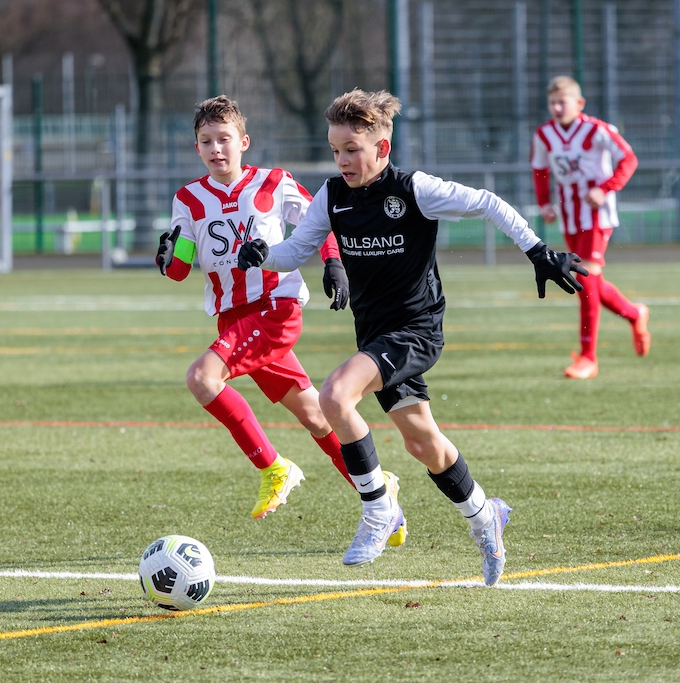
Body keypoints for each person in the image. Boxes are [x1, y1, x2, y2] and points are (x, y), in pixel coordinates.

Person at [237, 89, 585, 584]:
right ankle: (486, 514)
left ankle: (379, 508)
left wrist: (538, 251)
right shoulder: (332, 196)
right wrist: (263, 255)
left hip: (416, 331)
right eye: (335, 150)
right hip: (374, 334)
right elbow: (294, 251)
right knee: (424, 444)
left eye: (352, 149)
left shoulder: (415, 189)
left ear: (382, 147)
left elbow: (487, 202)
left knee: (335, 394)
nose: (342, 160)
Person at [156, 95, 405, 541]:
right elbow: (179, 270)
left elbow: (322, 221)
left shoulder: (273, 182)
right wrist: (168, 258)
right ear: (197, 148)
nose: (216, 149)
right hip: (233, 320)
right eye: (206, 141)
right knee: (317, 417)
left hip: (275, 310)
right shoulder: (187, 200)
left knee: (202, 378)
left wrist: (333, 263)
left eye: (224, 139)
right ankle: (381, 497)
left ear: (243, 142)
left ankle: (274, 467)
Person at [531, 75, 650, 379]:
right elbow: (540, 170)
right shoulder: (544, 134)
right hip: (570, 216)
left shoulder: (598, 130)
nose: (557, 108)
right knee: (589, 279)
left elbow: (629, 159)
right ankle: (635, 313)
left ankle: (588, 357)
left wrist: (605, 188)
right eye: (552, 103)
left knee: (584, 280)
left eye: (563, 102)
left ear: (579, 103)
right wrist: (544, 203)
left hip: (596, 216)